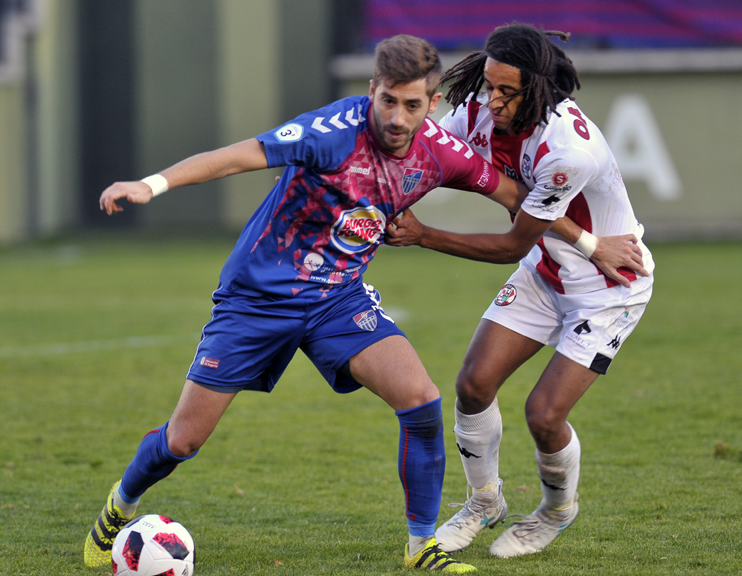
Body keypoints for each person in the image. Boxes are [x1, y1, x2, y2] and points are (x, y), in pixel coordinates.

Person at [83, 34, 640, 573]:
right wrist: (151, 185)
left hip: (337, 300)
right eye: (388, 101)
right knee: (182, 440)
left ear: (433, 103)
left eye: (412, 105)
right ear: (372, 89)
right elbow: (236, 156)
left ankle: (421, 546)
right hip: (259, 299)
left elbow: (518, 198)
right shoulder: (331, 133)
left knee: (421, 401)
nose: (398, 118)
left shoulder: (441, 150)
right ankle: (120, 507)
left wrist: (589, 243)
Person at [385, 22, 655, 560]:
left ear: (539, 88)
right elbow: (422, 153)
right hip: (548, 270)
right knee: (473, 384)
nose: (493, 100)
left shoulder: (567, 150)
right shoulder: (477, 112)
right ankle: (484, 501)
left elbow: (512, 243)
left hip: (607, 289)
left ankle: (557, 510)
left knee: (544, 415)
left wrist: (423, 235)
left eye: (508, 91)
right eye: (489, 85)